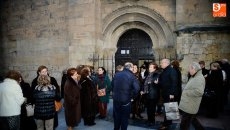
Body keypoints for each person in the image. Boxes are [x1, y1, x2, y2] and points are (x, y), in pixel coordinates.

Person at [112, 62, 140, 130]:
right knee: (124, 118)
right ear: (131, 67)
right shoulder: (132, 76)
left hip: (116, 99)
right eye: (133, 67)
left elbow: (112, 85)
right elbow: (137, 89)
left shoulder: (117, 74)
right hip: (126, 101)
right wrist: (132, 97)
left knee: (117, 117)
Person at [179, 62, 205, 130]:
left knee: (184, 124)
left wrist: (187, 92)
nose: (189, 70)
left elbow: (199, 92)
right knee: (192, 121)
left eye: (189, 69)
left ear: (194, 69)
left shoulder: (198, 78)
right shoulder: (195, 76)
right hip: (189, 104)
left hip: (190, 105)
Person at [158, 59, 178, 130]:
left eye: (162, 63)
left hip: (169, 93)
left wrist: (172, 93)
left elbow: (174, 82)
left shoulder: (172, 71)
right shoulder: (165, 70)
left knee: (169, 109)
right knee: (168, 109)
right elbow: (164, 82)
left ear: (166, 63)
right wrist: (158, 83)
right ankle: (168, 122)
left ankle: (166, 125)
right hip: (165, 93)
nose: (160, 64)